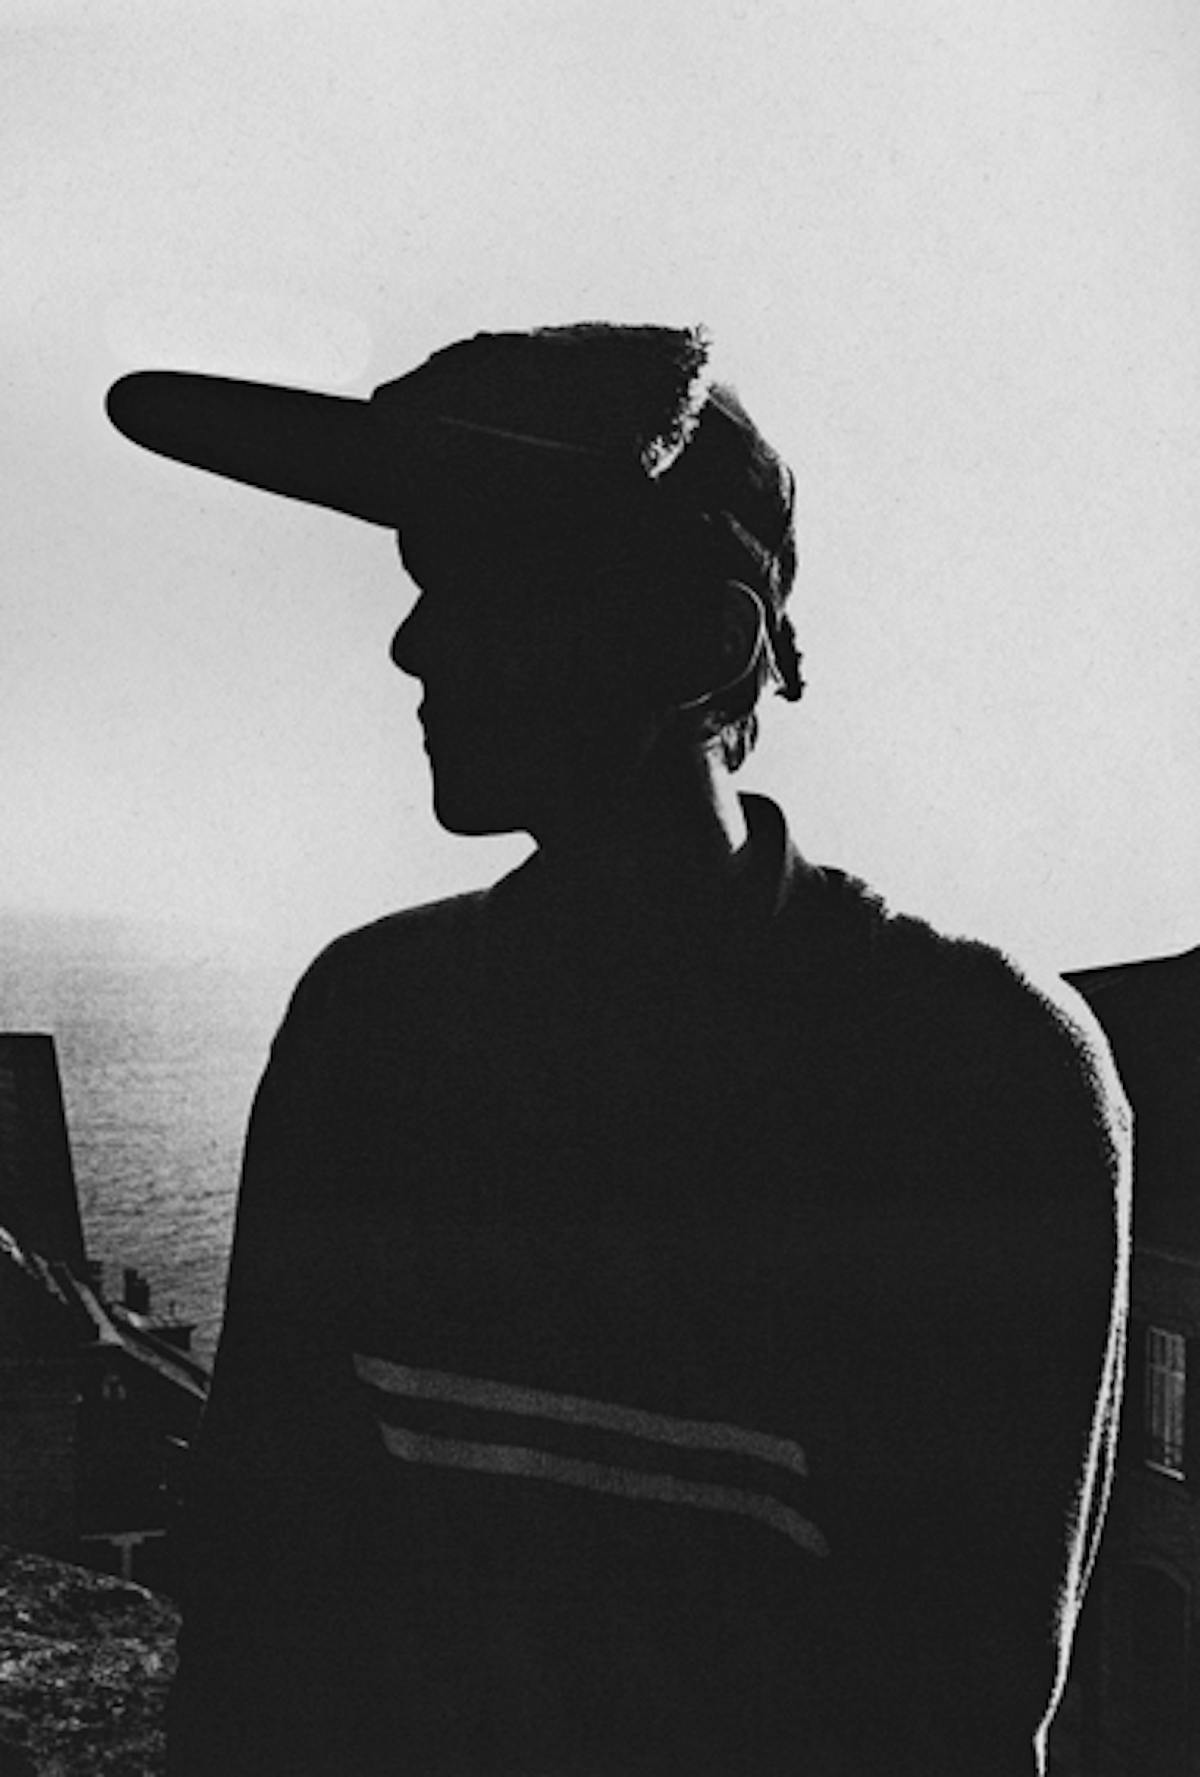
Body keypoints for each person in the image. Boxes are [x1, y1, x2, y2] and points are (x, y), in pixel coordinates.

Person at [107, 323, 1130, 1777]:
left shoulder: (976, 1078)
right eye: (420, 578)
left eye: (486, 581)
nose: (411, 641)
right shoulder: (367, 1023)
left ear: (705, 643)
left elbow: (952, 1712)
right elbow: (261, 1613)